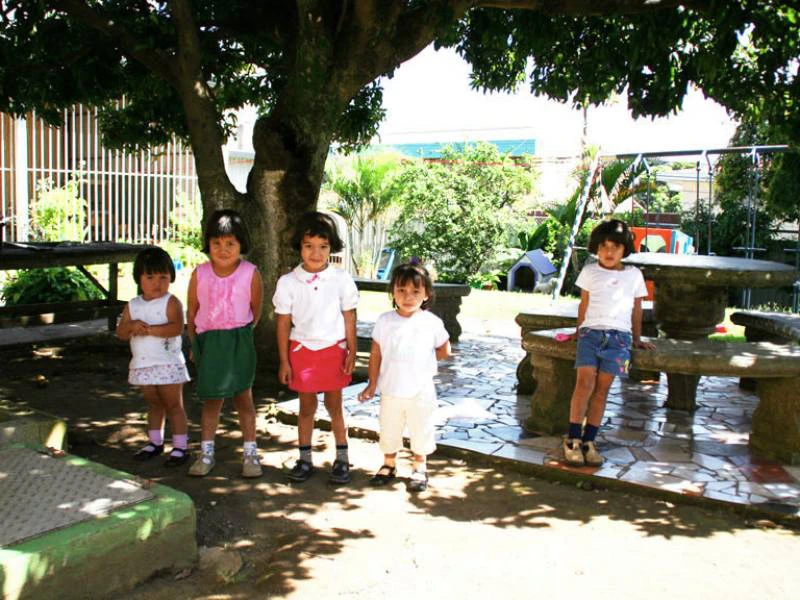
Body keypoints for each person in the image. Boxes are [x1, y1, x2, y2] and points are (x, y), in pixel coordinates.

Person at [273, 211, 359, 484]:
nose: (316, 253)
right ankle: (304, 458)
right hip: (302, 353)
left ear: (331, 248)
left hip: (334, 350)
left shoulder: (341, 279)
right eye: (309, 246)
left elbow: (349, 317)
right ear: (299, 246)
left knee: (335, 407)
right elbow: (283, 324)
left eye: (323, 246)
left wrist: (352, 352)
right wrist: (284, 361)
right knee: (306, 408)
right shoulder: (287, 283)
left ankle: (342, 458)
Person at [563, 219, 655, 467]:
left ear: (625, 248)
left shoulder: (634, 275)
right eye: (603, 246)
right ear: (596, 248)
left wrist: (636, 339)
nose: (609, 252)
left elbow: (637, 309)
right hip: (591, 334)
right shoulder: (590, 271)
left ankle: (589, 441)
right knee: (584, 384)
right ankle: (572, 439)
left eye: (615, 246)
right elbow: (584, 304)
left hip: (620, 339)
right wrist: (578, 331)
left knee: (602, 390)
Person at [358, 262, 451, 493]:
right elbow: (376, 352)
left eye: (415, 291)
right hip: (390, 389)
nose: (408, 296)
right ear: (393, 292)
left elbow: (444, 349)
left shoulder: (431, 322)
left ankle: (419, 467)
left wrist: (423, 360)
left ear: (426, 294)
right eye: (402, 290)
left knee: (421, 428)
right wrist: (372, 383)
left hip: (420, 391)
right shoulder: (385, 321)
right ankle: (389, 464)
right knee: (389, 428)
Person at [187, 209, 263, 478]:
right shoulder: (200, 274)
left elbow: (256, 309)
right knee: (212, 402)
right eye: (216, 243)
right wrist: (196, 346)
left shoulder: (250, 273)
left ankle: (250, 454)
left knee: (244, 399)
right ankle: (206, 454)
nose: (223, 249)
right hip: (210, 343)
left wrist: (239, 338)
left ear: (242, 245)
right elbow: (192, 311)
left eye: (230, 243)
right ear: (207, 244)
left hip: (238, 341)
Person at [117, 246, 191, 466]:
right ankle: (155, 442)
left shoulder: (171, 302)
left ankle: (180, 446)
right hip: (143, 365)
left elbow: (176, 328)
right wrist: (130, 326)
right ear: (139, 278)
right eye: (150, 277)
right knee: (153, 404)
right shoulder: (133, 305)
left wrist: (149, 330)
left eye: (163, 277)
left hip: (167, 364)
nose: (157, 283)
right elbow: (121, 333)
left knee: (173, 405)